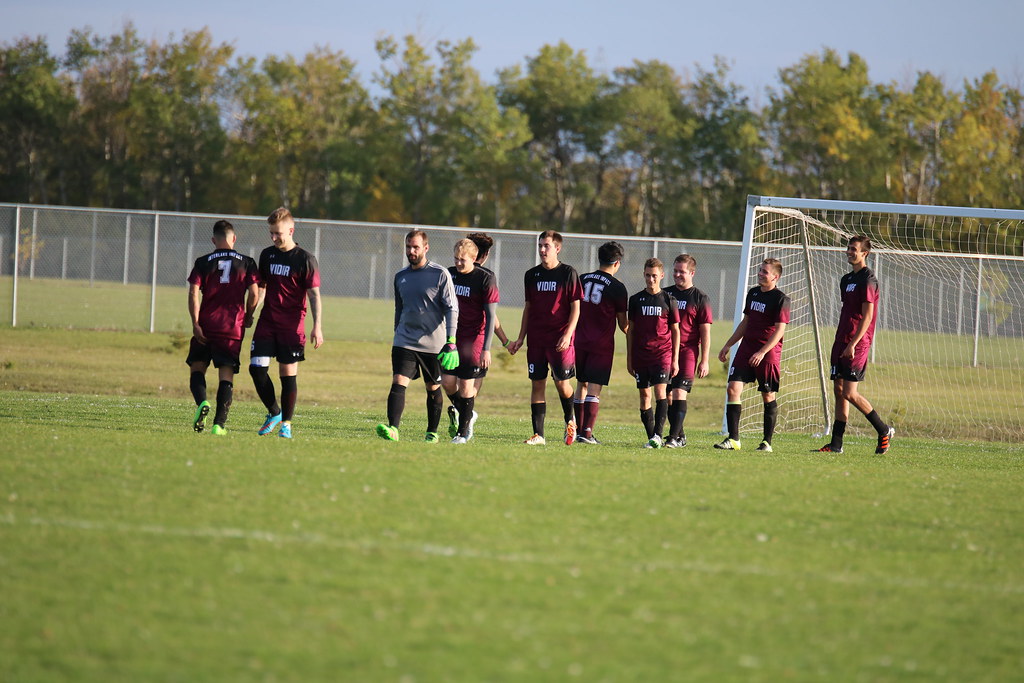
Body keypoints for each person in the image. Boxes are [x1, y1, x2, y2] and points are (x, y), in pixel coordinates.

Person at [376, 230, 459, 443]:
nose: (411, 251)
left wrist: (451, 341)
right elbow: (399, 308)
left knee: (433, 388)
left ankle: (432, 432)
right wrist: (397, 332)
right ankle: (393, 428)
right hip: (404, 340)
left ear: (426, 248)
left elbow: (452, 308)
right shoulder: (400, 276)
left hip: (434, 344)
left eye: (415, 247)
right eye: (408, 247)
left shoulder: (440, 274)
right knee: (398, 382)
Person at [814, 236, 895, 454]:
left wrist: (853, 343)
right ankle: (836, 444)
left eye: (854, 249)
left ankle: (883, 429)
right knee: (839, 391)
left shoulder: (868, 279)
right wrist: (843, 341)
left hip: (857, 343)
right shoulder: (846, 279)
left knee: (850, 392)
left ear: (865, 253)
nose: (849, 252)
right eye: (848, 248)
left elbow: (867, 317)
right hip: (841, 339)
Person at [248, 207, 324, 439]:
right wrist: (250, 311)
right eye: (271, 233)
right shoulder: (267, 255)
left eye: (278, 233)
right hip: (267, 322)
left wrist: (317, 325)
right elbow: (261, 287)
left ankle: (287, 424)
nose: (273, 238)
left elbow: (314, 295)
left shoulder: (305, 259)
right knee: (256, 369)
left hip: (292, 326)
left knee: (287, 375)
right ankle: (274, 412)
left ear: (291, 230)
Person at [507, 230, 583, 446]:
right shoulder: (531, 275)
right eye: (540, 245)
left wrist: (568, 334)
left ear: (557, 248)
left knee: (562, 384)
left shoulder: (568, 273)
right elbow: (528, 308)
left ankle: (571, 420)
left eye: (546, 246)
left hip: (560, 339)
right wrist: (521, 337)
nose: (541, 250)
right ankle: (538, 434)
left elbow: (576, 308)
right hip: (537, 339)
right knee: (537, 383)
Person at [186, 220, 260, 435]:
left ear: (213, 240)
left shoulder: (202, 262)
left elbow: (193, 293)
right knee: (226, 376)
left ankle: (202, 403)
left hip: (207, 324)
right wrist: (249, 315)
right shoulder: (247, 262)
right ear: (234, 238)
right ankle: (219, 425)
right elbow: (255, 294)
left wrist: (195, 323)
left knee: (197, 368)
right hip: (232, 327)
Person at [716, 258, 790, 452]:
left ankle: (766, 443)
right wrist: (729, 345)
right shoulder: (753, 293)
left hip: (767, 353)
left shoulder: (781, 299)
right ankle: (733, 440)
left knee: (767, 395)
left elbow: (779, 330)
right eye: (760, 270)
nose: (760, 274)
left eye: (765, 272)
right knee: (732, 388)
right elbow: (746, 322)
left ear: (775, 276)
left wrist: (762, 351)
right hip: (746, 349)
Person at [445, 232, 511, 438]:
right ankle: (467, 413)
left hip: (475, 338)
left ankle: (462, 433)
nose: (458, 263)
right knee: (447, 382)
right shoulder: (449, 274)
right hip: (452, 337)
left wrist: (488, 348)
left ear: (474, 257)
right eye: (455, 258)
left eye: (462, 259)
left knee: (466, 385)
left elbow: (491, 316)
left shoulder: (485, 278)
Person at [572, 241, 629, 444]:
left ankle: (575, 429)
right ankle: (586, 433)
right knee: (594, 388)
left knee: (581, 384)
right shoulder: (617, 287)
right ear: (617, 262)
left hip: (579, 341)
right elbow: (623, 324)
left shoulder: (582, 279)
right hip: (600, 345)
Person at [626, 258, 680, 448]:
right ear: (644, 274)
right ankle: (652, 437)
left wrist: (675, 360)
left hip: (662, 354)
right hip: (641, 355)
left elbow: (675, 330)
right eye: (648, 275)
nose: (651, 279)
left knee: (660, 391)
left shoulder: (669, 300)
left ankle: (658, 434)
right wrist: (629, 358)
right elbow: (630, 330)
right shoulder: (635, 300)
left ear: (662, 276)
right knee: (644, 397)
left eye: (654, 276)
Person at [661, 254, 713, 448]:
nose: (677, 275)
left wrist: (705, 360)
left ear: (692, 273)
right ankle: (680, 434)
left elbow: (705, 331)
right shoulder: (665, 294)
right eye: (675, 271)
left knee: (679, 392)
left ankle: (673, 438)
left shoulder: (700, 298)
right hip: (665, 351)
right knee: (666, 395)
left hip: (687, 352)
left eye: (681, 272)